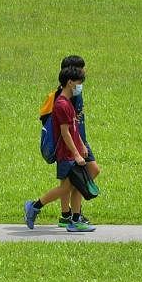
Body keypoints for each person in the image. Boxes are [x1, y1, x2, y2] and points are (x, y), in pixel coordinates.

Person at [24, 66, 96, 232]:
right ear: (70, 83)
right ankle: (34, 206)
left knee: (78, 185)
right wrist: (77, 154)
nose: (80, 86)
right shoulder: (62, 105)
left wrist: (81, 145)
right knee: (65, 188)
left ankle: (75, 220)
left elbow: (74, 129)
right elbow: (65, 133)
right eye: (79, 83)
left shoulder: (68, 103)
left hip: (73, 153)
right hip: (67, 155)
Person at [38, 55, 101, 227]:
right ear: (71, 76)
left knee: (72, 181)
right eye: (82, 69)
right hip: (71, 143)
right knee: (76, 179)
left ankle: (69, 214)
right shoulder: (66, 96)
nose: (85, 72)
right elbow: (66, 127)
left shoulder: (74, 91)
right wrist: (77, 147)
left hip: (79, 140)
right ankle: (70, 214)